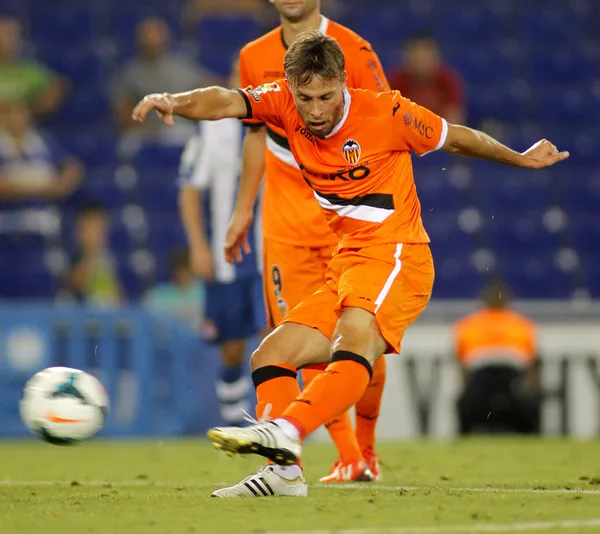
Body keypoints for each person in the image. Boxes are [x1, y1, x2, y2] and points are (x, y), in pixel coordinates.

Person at [131, 31, 569, 498]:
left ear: (343, 80)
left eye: (326, 96)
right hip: (348, 262)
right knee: (271, 355)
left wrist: (519, 159)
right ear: (290, 87)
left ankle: (289, 431)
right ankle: (283, 475)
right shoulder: (279, 101)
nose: (316, 110)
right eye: (306, 98)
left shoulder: (388, 112)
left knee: (353, 338)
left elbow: (458, 138)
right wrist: (173, 100)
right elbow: (224, 102)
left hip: (399, 255)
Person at [227, 0, 390, 485]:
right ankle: (348, 459)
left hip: (345, 215)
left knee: (363, 338)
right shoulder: (253, 55)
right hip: (285, 218)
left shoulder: (355, 52)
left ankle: (364, 450)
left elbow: (386, 126)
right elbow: (255, 135)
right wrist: (242, 209)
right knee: (301, 341)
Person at [178, 57, 266, 427]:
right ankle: (234, 423)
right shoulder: (211, 130)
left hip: (273, 255)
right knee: (232, 347)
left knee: (276, 339)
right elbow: (190, 189)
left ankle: (277, 424)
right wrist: (198, 245)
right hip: (227, 257)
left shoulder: (285, 125)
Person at [111, 16, 211, 153]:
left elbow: (208, 88)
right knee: (127, 144)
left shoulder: (182, 66)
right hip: (146, 131)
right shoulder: (130, 73)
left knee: (199, 141)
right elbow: (122, 110)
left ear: (165, 38)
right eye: (147, 35)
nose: (152, 40)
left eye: (156, 34)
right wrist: (143, 127)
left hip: (180, 129)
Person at [454, 279, 540, 435]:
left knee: (465, 405)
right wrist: (529, 391)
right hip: (507, 380)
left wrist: (467, 389)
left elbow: (463, 365)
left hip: (485, 380)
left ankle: (464, 438)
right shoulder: (522, 325)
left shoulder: (468, 325)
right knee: (529, 407)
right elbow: (531, 365)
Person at [388, 32, 465, 125]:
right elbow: (390, 118)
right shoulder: (396, 81)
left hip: (441, 136)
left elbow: (453, 118)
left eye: (425, 54)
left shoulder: (448, 80)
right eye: (416, 53)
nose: (420, 59)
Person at [0, 17, 66, 117]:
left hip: (22, 127)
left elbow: (57, 88)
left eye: (13, 36)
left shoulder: (30, 70)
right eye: (5, 36)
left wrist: (33, 106)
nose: (10, 41)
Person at [67, 200, 122, 306]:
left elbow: (117, 295)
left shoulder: (108, 258)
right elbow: (74, 283)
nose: (95, 233)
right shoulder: (72, 257)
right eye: (90, 228)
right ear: (79, 230)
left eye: (99, 228)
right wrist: (92, 256)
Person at [144, 247, 205, 331]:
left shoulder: (206, 293)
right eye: (179, 268)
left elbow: (212, 327)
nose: (182, 273)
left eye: (186, 268)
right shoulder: (156, 296)